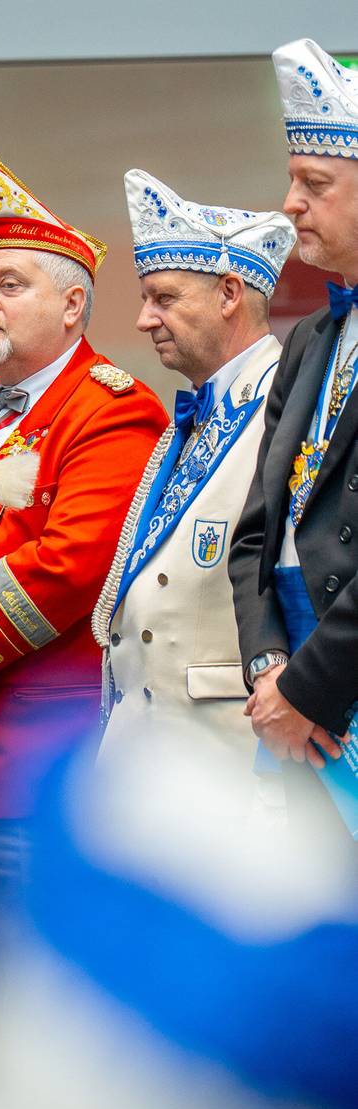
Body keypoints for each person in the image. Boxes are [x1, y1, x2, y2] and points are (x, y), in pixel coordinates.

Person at [0, 143, 167, 922]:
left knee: (32, 1014)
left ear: (72, 306)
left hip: (28, 763)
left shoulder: (113, 410)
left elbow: (62, 572)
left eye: (10, 285)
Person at [97, 170, 292, 774]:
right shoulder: (195, 414)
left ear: (229, 294)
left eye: (164, 297)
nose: (144, 319)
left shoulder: (293, 409)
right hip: (149, 766)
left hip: (237, 770)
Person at [230, 38, 358, 832]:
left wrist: (309, 688)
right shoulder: (311, 335)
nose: (289, 204)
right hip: (291, 697)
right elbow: (255, 535)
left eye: (315, 184)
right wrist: (270, 669)